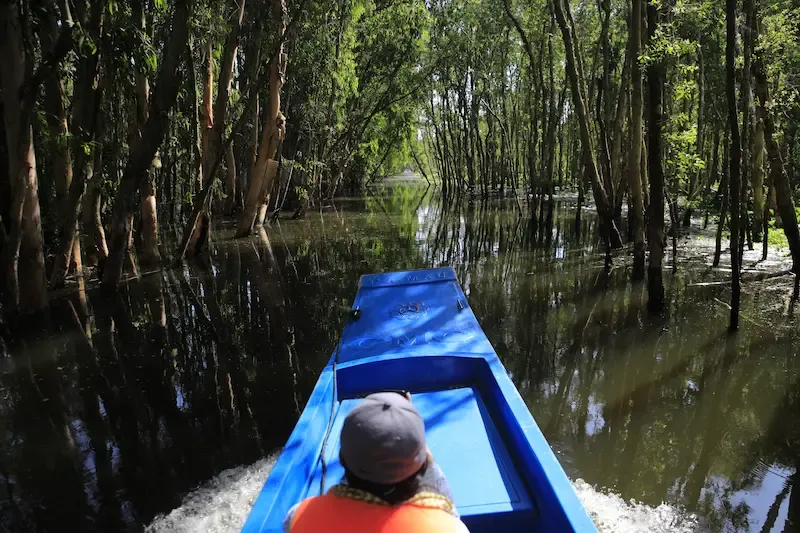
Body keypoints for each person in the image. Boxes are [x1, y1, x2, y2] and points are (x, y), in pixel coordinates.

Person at [283, 391, 470, 533]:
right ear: (422, 468)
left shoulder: (298, 516)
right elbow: (445, 505)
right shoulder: (450, 527)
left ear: (342, 459)